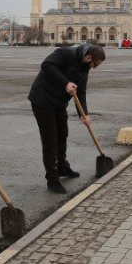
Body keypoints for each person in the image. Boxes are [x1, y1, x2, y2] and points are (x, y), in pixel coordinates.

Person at [28, 44, 106, 194]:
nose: (94, 67)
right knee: (50, 140)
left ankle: (62, 167)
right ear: (89, 57)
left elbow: (81, 92)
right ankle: (52, 178)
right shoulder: (66, 53)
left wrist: (84, 114)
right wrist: (65, 83)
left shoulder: (85, 69)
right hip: (42, 100)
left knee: (62, 134)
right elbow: (47, 65)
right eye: (95, 64)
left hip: (58, 103)